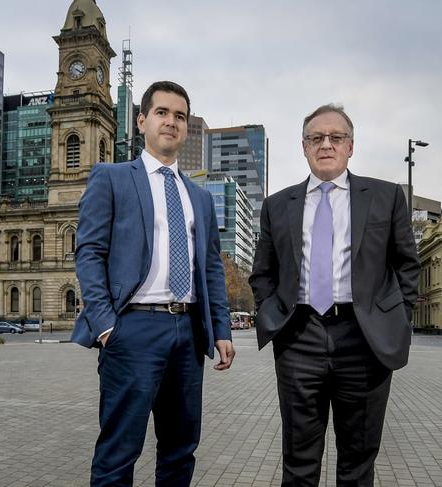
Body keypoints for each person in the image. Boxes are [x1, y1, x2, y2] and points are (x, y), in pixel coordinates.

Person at [72, 80, 235, 487]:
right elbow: (89, 253)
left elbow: (211, 268)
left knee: (181, 450)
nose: (171, 122)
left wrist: (222, 329)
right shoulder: (111, 178)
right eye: (162, 112)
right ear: (142, 120)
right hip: (132, 329)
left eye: (180, 116)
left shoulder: (198, 196)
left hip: (188, 333)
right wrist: (107, 326)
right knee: (119, 451)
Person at [249, 104, 420, 486]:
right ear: (304, 146)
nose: (325, 144)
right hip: (299, 337)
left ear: (350, 146)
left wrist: (396, 317)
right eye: (316, 138)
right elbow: (263, 272)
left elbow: (407, 265)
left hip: (364, 341)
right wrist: (270, 313)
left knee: (358, 460)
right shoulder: (277, 205)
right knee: (298, 458)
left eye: (335, 137)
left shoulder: (385, 197)